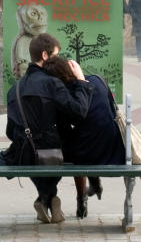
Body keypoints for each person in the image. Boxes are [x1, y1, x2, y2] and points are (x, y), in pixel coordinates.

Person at [2, 32, 92, 224]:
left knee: (39, 151)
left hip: (23, 154)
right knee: (67, 147)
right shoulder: (52, 83)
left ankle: (46, 198)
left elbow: (10, 131)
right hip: (51, 153)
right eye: (56, 55)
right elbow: (79, 111)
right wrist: (81, 81)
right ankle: (48, 197)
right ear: (44, 56)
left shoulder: (14, 88)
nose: (58, 60)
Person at [42, 55, 126, 219]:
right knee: (86, 138)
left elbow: (65, 129)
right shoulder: (97, 80)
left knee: (70, 149)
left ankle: (80, 197)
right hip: (113, 147)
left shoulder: (66, 94)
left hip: (88, 152)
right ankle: (93, 183)